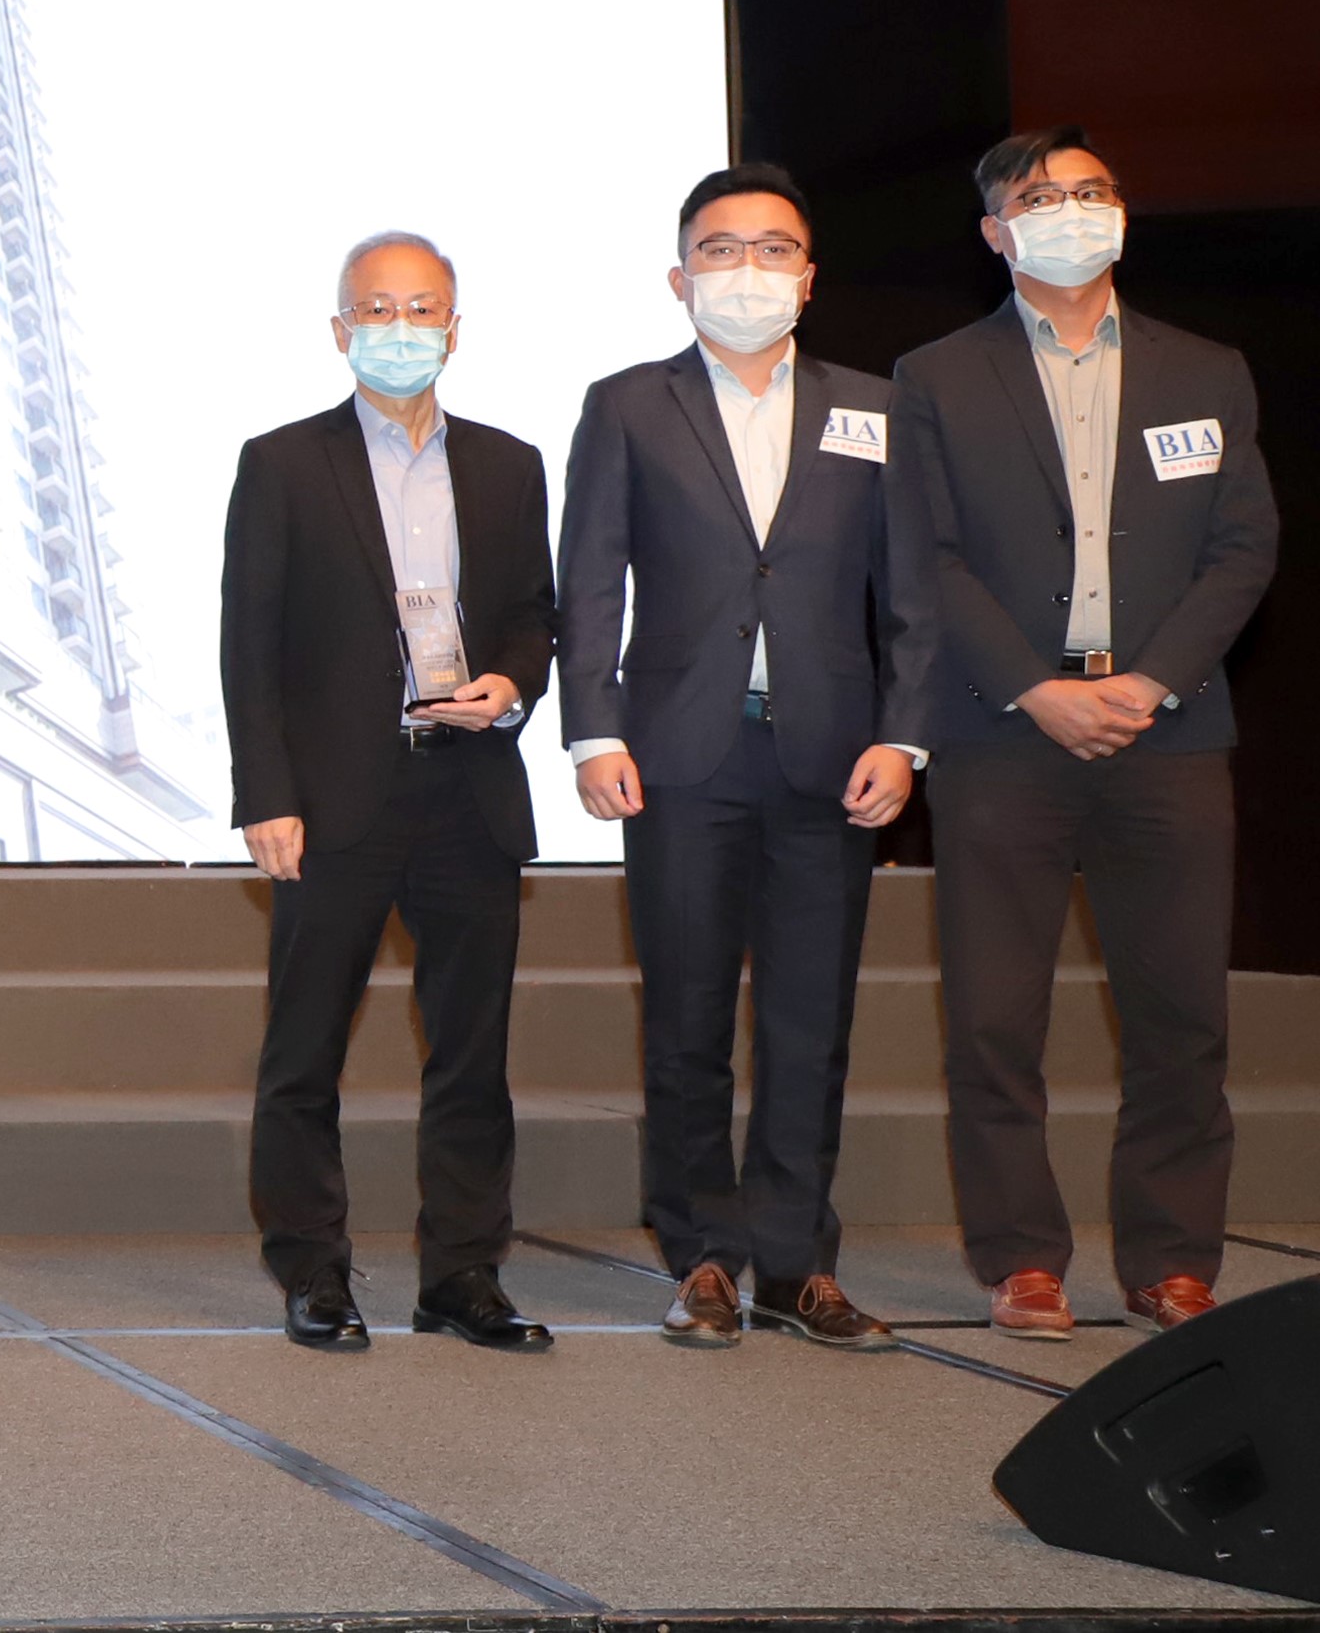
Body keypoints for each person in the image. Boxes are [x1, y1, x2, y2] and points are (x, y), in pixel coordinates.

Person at [889, 128, 1276, 1338]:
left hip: (1168, 731)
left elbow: (1242, 548)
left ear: (1120, 213)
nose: (1069, 210)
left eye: (1089, 190)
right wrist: (1032, 687)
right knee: (992, 1020)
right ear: (994, 233)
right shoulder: (934, 376)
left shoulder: (1203, 369)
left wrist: (1151, 681)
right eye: (1038, 197)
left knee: (1180, 1017)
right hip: (1001, 733)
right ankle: (1020, 1259)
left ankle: (1170, 1262)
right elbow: (923, 558)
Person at [557, 167, 923, 1350]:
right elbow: (589, 580)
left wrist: (902, 734)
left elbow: (911, 593)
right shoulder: (626, 405)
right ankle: (703, 1256)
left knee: (809, 1026)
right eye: (719, 250)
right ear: (679, 277)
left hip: (831, 755)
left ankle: (797, 1264)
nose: (746, 270)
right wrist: (594, 729)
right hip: (677, 756)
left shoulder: (873, 407)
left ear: (807, 278)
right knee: (686, 1020)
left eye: (772, 249)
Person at [222, 231, 557, 1352]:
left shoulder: (508, 464)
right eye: (376, 310)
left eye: (420, 310)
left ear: (453, 330)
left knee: (471, 1054)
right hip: (331, 800)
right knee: (303, 1050)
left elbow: (532, 614)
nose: (399, 329)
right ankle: (312, 1270)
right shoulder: (281, 463)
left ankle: (462, 1273)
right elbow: (247, 643)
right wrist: (264, 795)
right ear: (339, 330)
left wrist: (511, 682)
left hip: (469, 790)